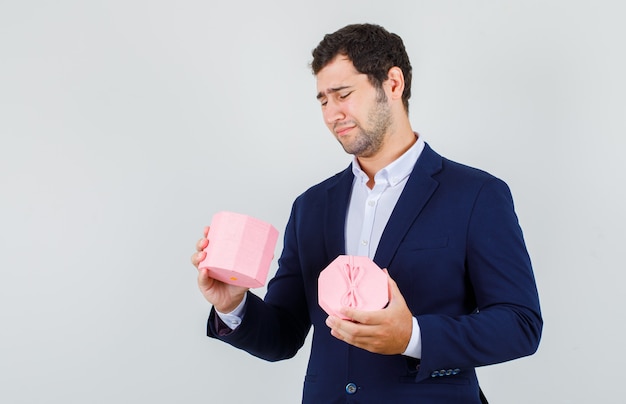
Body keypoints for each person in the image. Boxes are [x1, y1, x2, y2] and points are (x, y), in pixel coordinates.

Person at [191, 23, 542, 403]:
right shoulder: (310, 206)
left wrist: (413, 337)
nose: (331, 114)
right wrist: (233, 306)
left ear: (393, 84)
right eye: (323, 100)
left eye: (342, 95)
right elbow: (283, 337)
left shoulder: (477, 195)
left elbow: (520, 324)